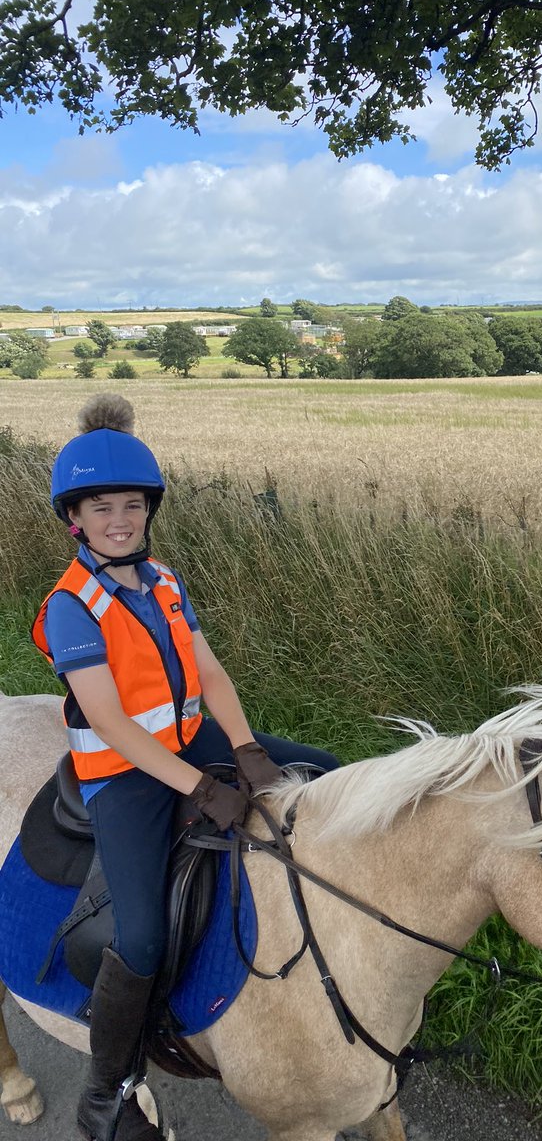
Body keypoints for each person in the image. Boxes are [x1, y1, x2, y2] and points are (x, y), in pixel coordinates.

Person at [31, 394, 339, 1141]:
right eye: (100, 506)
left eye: (131, 504)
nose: (118, 519)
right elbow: (106, 720)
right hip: (123, 773)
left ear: (149, 509)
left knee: (327, 772)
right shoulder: (72, 607)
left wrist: (244, 751)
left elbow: (209, 672)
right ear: (75, 517)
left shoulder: (164, 581)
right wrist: (200, 788)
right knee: (139, 937)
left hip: (191, 738)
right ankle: (108, 1091)